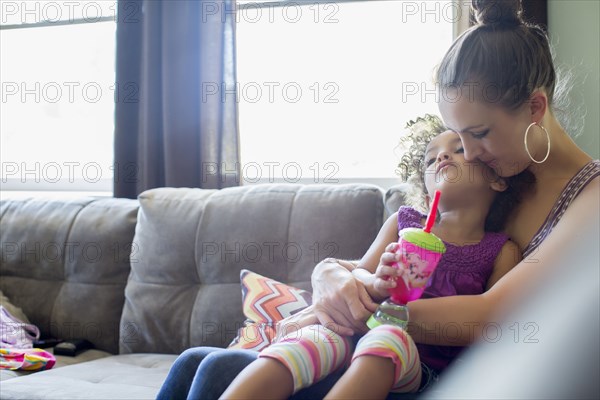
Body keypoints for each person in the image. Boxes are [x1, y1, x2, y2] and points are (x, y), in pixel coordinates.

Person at [157, 0, 600, 398]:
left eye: (478, 135)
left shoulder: (590, 198)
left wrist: (362, 312)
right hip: (390, 340)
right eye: (458, 137)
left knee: (218, 370)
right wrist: (327, 274)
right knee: (195, 360)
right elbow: (385, 267)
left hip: (451, 373)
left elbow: (492, 315)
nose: (470, 153)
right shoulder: (500, 173)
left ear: (535, 108)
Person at [218, 115, 522, 400]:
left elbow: (493, 325)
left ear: (496, 179)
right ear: (427, 192)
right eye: (430, 158)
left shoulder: (500, 250)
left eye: (457, 150)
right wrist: (377, 281)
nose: (441, 158)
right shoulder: (403, 225)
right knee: (314, 336)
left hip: (427, 373)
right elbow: (359, 274)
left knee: (387, 338)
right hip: (355, 338)